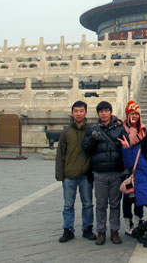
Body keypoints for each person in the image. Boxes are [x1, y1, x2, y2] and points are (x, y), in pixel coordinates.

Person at [82, 101, 128, 245]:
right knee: (101, 204)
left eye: (106, 110)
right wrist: (92, 139)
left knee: (115, 204)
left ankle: (114, 231)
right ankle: (101, 231)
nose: (104, 113)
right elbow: (86, 149)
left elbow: (125, 150)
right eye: (101, 111)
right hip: (100, 172)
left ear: (110, 112)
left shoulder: (120, 129)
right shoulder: (92, 129)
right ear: (98, 114)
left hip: (116, 171)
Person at [55, 101, 96, 243]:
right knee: (68, 204)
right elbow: (60, 153)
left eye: (81, 111)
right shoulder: (66, 132)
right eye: (76, 111)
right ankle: (68, 229)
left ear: (85, 112)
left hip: (85, 174)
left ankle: (87, 228)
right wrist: (60, 174)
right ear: (72, 113)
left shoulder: (91, 130)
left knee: (88, 204)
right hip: (69, 174)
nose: (78, 114)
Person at [122, 100, 147, 235]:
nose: (135, 116)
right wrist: (132, 127)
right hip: (128, 169)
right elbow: (129, 143)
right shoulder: (123, 128)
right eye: (132, 114)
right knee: (128, 198)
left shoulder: (143, 129)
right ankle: (128, 224)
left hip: (141, 169)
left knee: (139, 197)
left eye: (136, 114)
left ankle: (138, 222)